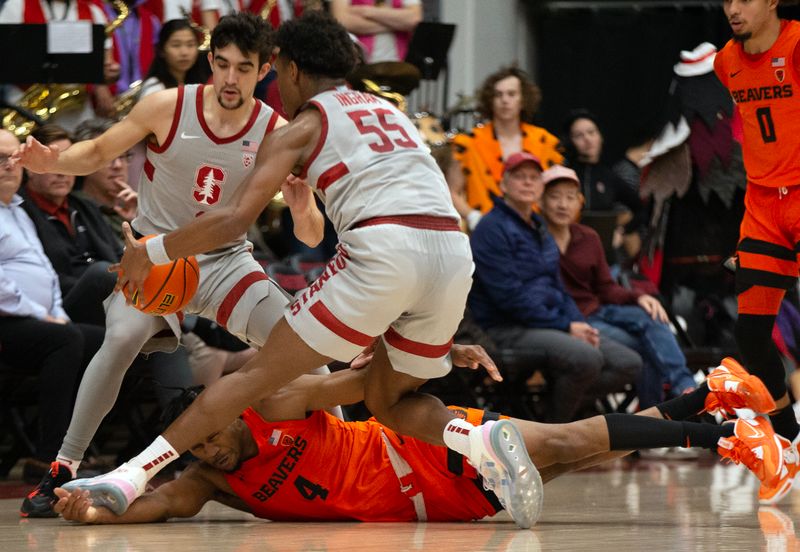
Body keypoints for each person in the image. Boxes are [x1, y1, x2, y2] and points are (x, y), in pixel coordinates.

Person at [47, 12, 543, 529]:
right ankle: (477, 439)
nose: (265, 84)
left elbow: (233, 219)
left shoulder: (300, 125)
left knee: (259, 374)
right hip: (452, 250)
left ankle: (128, 476)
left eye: (268, 70)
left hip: (381, 247)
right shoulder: (388, 109)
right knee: (387, 395)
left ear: (290, 68)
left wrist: (149, 252)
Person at [10, 12, 339, 518]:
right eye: (222, 65)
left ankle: (338, 462)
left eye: (243, 68)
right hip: (154, 258)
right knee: (119, 340)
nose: (230, 79)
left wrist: (300, 206)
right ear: (210, 61)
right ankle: (63, 467)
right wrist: (53, 162)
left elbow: (313, 235)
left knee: (309, 352)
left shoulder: (276, 130)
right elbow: (97, 150)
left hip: (227, 262)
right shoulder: (167, 106)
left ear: (264, 71)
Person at [52, 352, 785, 525]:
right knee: (593, 447)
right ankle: (710, 390)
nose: (210, 451)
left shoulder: (277, 402)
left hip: (431, 451)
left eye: (211, 435)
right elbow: (158, 504)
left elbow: (368, 373)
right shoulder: (210, 480)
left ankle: (723, 435)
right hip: (444, 511)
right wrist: (93, 507)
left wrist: (442, 354)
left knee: (564, 441)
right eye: (196, 447)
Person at [468, 152, 642, 423]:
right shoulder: (492, 228)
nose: (527, 183)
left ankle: (546, 416)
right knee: (586, 358)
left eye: (534, 178)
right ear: (503, 184)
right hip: (507, 328)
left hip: (548, 324)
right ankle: (555, 435)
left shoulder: (538, 226)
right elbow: (510, 297)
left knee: (627, 362)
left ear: (540, 187)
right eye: (519, 177)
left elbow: (557, 286)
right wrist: (565, 326)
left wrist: (577, 323)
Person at [709, 0, 800, 502]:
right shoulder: (727, 61)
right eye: (726, 0)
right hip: (762, 204)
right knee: (750, 331)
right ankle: (789, 439)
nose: (733, 8)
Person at [539, 165, 697, 411]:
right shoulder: (535, 238)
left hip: (600, 309)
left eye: (570, 197)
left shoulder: (588, 237)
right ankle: (652, 427)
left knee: (652, 315)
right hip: (574, 319)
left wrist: (639, 297)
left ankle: (685, 387)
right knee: (645, 347)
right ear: (541, 200)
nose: (563, 204)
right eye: (555, 197)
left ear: (580, 202)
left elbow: (606, 287)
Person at [0, 129, 104, 487]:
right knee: (65, 341)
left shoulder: (15, 209)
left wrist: (57, 312)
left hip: (36, 319)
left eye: (14, 157)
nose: (8, 166)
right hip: (9, 321)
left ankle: (84, 448)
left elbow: (43, 271)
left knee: (104, 341)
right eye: (0, 159)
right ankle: (48, 457)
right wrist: (37, 312)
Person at [20, 124, 123, 326]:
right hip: (63, 307)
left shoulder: (84, 205)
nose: (62, 172)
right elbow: (38, 278)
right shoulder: (19, 210)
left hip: (112, 296)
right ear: (29, 168)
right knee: (102, 274)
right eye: (52, 161)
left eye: (67, 161)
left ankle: (185, 325)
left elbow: (119, 255)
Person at [448, 66, 563, 231]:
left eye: (511, 94)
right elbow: (452, 192)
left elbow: (558, 192)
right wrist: (474, 217)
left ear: (522, 100)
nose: (504, 100)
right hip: (485, 232)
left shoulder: (544, 141)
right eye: (498, 95)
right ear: (490, 100)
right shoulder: (468, 142)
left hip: (534, 233)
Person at [330, 0, 421, 64]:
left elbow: (414, 19)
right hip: (357, 65)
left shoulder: (365, 10)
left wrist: (366, 11)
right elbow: (343, 21)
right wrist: (397, 24)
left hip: (397, 66)